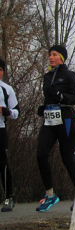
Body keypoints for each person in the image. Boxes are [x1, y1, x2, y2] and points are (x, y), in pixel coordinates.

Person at [36, 45, 75, 212]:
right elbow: (49, 97)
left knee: (67, 158)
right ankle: (50, 195)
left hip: (66, 119)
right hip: (50, 120)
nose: (51, 57)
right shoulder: (47, 76)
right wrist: (44, 107)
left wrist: (62, 97)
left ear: (62, 57)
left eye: (54, 54)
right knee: (41, 154)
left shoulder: (70, 75)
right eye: (49, 54)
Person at [0, 58, 19, 212]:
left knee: (2, 164)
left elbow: (16, 112)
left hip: (0, 129)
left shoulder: (7, 89)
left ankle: (8, 198)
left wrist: (6, 111)